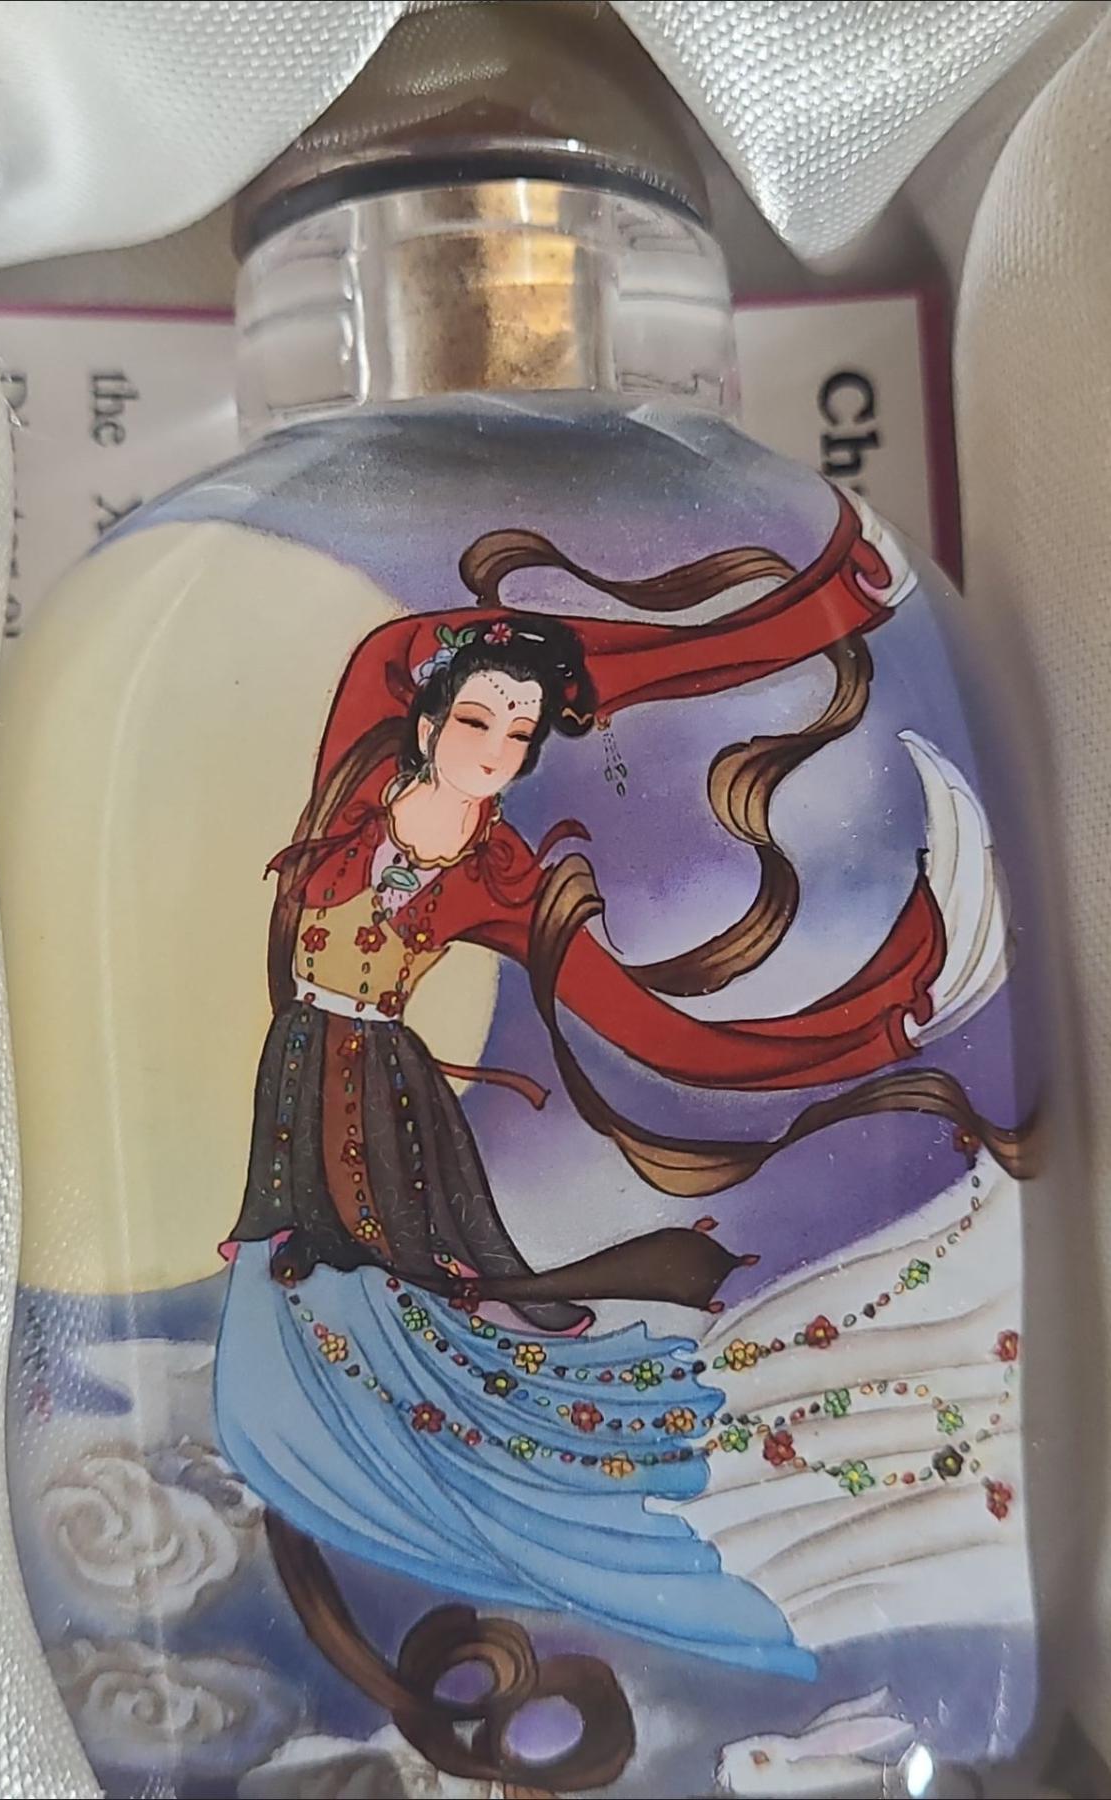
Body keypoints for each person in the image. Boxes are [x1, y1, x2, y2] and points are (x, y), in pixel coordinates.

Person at [215, 489, 1029, 1684]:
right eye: (477, 720)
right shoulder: (359, 764)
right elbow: (563, 659)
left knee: (355, 1317)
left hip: (379, 1109)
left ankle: (503, 1525)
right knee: (295, 1316)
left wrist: (886, 1009)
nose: (493, 749)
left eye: (519, 736)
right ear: (430, 716)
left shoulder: (499, 872)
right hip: (303, 1087)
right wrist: (810, 608)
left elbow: (665, 1037)